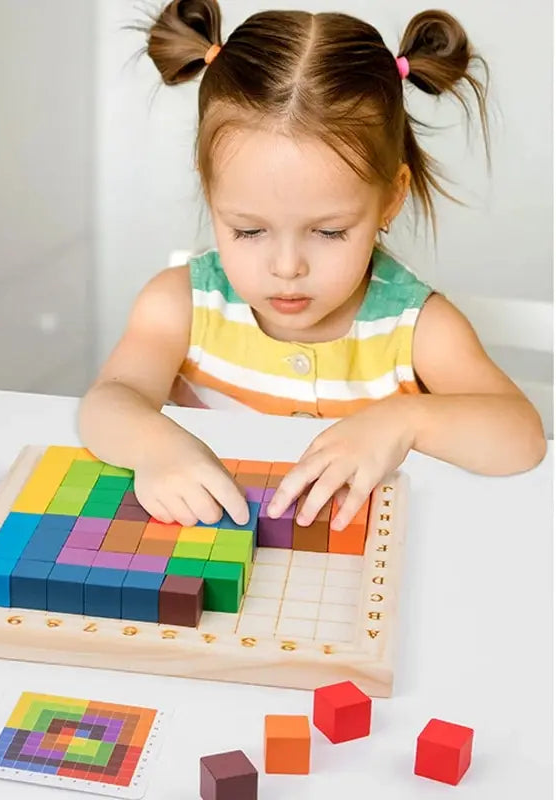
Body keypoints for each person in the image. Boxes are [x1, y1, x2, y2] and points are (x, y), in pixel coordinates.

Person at [78, 1, 547, 534]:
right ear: (210, 191)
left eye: (328, 232)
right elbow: (105, 405)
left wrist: (405, 421)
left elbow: (523, 436)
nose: (286, 267)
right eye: (249, 230)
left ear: (391, 199)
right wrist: (153, 447)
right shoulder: (179, 305)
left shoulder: (417, 329)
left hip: (362, 568)